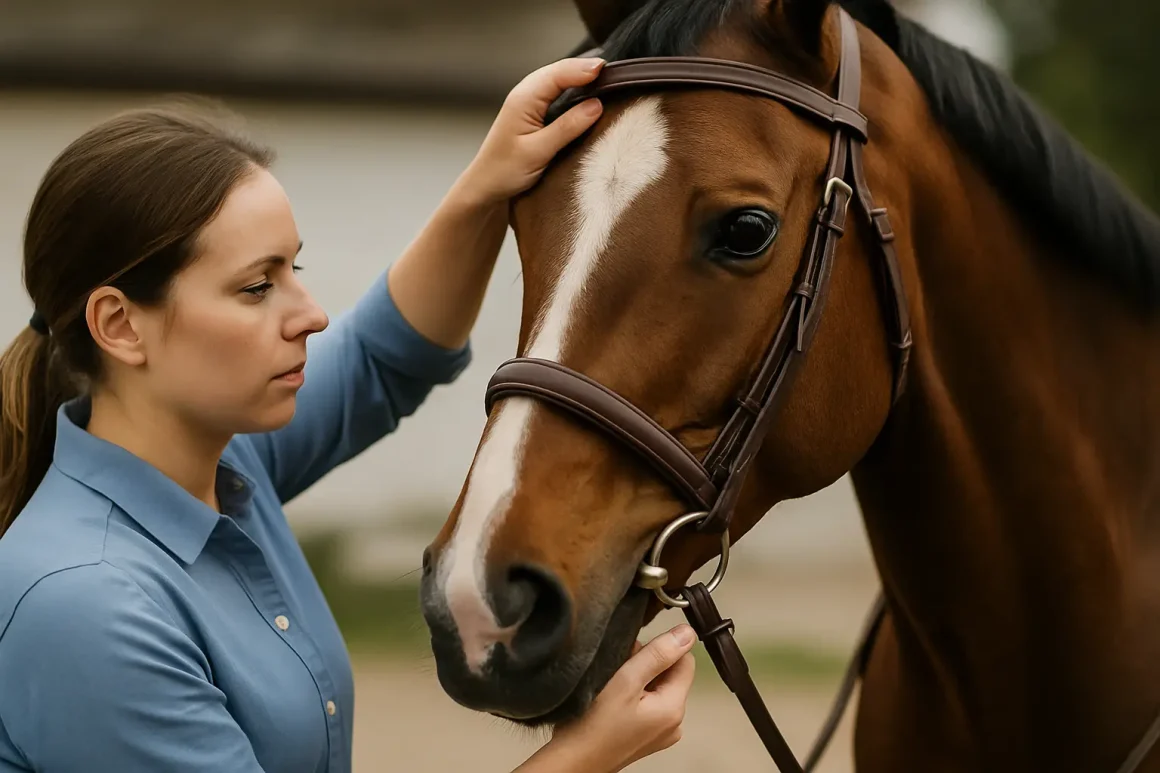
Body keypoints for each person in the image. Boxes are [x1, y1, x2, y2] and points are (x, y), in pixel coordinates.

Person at [0, 57, 697, 773]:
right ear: (120, 325)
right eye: (255, 286)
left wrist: (490, 181)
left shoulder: (223, 465)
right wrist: (589, 754)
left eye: (292, 270)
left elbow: (380, 359)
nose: (310, 313)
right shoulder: (86, 606)